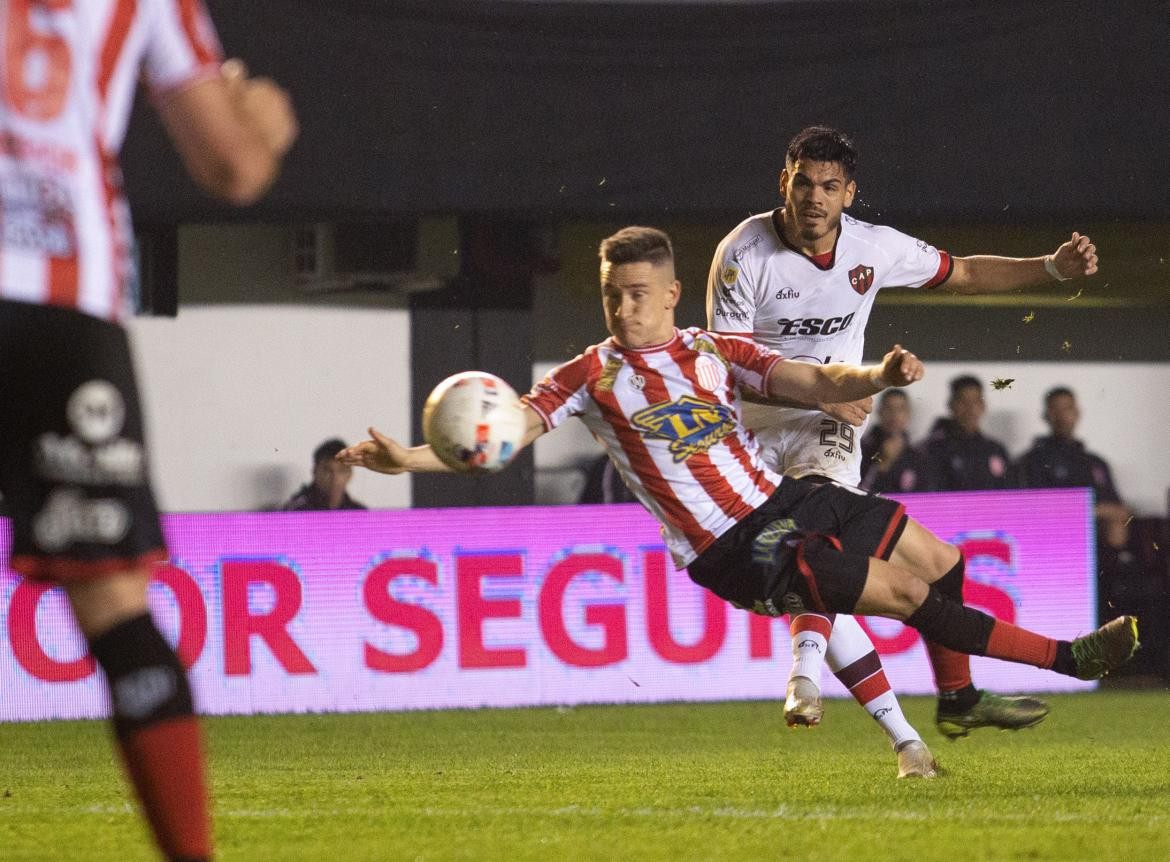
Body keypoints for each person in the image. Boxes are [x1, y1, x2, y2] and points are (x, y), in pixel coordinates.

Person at [340, 226, 1139, 779]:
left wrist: (881, 379)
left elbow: (819, 382)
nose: (626, 311)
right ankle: (1069, 658)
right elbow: (501, 435)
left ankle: (954, 701)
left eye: (641, 295)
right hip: (735, 548)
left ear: (674, 292)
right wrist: (408, 456)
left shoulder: (713, 350)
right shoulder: (590, 375)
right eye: (614, 296)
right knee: (905, 594)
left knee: (941, 560)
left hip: (788, 499)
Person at [0, 4, 297, 860]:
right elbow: (233, 167)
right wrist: (264, 123)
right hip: (65, 303)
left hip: (67, 303)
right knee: (113, 603)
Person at [706, 126, 1095, 746]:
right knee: (825, 563)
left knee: (838, 547)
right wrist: (833, 384)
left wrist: (1049, 267)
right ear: (784, 182)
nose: (814, 198)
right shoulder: (742, 253)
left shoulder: (873, 249)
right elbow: (729, 374)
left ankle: (895, 690)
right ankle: (923, 705)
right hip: (749, 429)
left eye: (829, 187)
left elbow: (963, 272)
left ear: (849, 194)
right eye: (803, 183)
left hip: (826, 427)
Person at [1016, 386, 1130, 548]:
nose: (1062, 416)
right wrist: (1086, 512)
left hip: (1095, 535)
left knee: (1118, 525)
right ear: (1046, 415)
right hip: (1054, 535)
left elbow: (1118, 508)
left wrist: (1095, 512)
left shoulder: (1096, 462)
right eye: (1056, 409)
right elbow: (1036, 508)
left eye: (1067, 408)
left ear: (1077, 413)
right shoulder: (1032, 460)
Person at [924, 375, 1016, 491]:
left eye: (975, 402)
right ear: (951, 404)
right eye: (963, 402)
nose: (970, 409)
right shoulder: (933, 450)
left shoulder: (995, 449)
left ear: (983, 406)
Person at [859, 389, 935, 494]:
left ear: (909, 413)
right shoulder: (862, 448)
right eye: (889, 408)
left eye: (900, 409)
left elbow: (927, 494)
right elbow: (859, 492)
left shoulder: (918, 454)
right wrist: (883, 463)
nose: (894, 414)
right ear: (879, 412)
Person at [284, 439, 367, 511]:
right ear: (315, 471)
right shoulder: (296, 511)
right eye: (327, 471)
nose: (335, 478)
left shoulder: (359, 513)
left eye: (341, 470)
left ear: (350, 474)